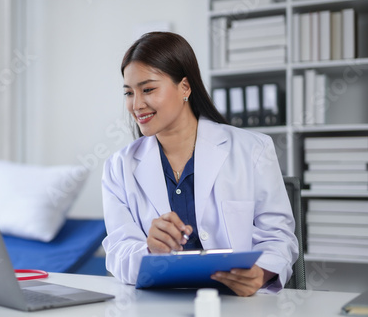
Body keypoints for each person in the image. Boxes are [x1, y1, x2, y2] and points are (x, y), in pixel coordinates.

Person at [101, 32, 299, 297]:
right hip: (157, 305)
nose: (136, 105)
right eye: (128, 93)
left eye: (148, 89)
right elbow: (117, 252)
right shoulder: (118, 167)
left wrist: (259, 274)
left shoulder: (253, 149)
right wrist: (150, 250)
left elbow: (279, 238)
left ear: (184, 87)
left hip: (236, 304)